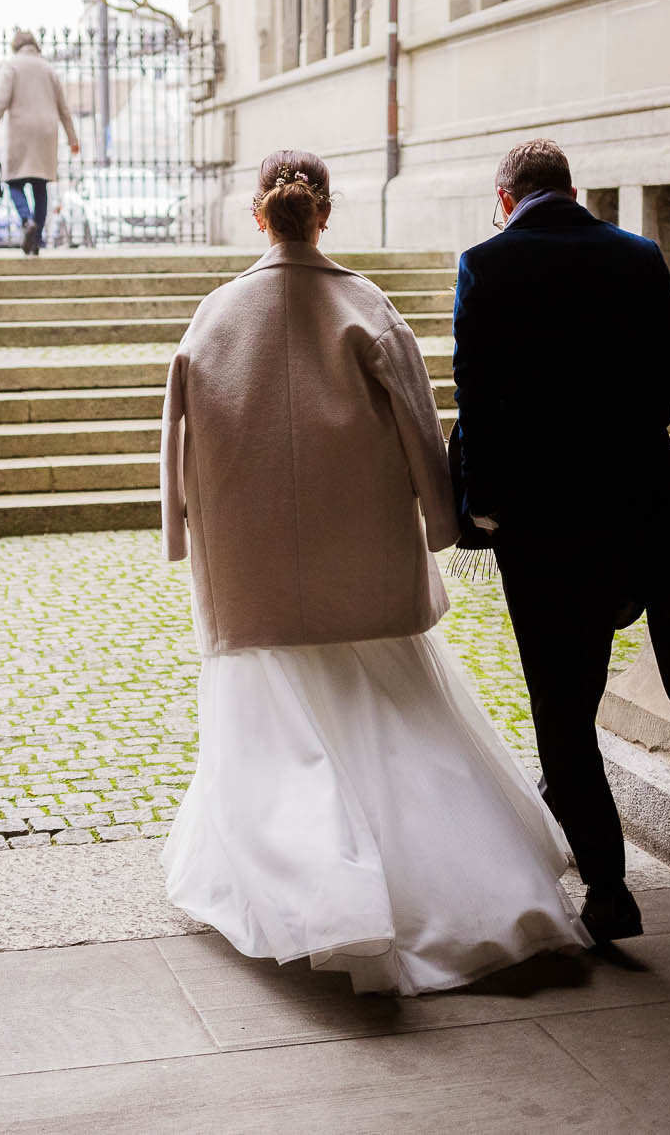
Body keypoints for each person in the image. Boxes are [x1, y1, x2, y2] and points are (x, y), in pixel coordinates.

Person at [159, 149, 591, 996]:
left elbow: (177, 440)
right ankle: (469, 890)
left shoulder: (213, 317)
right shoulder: (365, 305)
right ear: (328, 213)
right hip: (360, 557)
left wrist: (182, 535)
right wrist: (441, 519)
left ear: (259, 215)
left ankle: (314, 891)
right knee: (401, 730)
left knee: (278, 742)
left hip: (257, 571)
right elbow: (420, 427)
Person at [449, 138, 670, 943]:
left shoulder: (486, 262)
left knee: (559, 699)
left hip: (537, 519)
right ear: (574, 189)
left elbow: (477, 397)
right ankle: (563, 823)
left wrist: (480, 509)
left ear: (505, 195)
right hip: (628, 510)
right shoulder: (638, 255)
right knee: (576, 685)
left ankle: (607, 881)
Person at [0, 29, 80, 256]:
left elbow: (0, 101)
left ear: (16, 45)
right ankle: (37, 237)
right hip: (47, 131)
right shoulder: (48, 68)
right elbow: (63, 108)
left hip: (21, 130)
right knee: (40, 185)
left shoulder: (11, 66)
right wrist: (73, 140)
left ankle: (27, 222)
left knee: (14, 182)